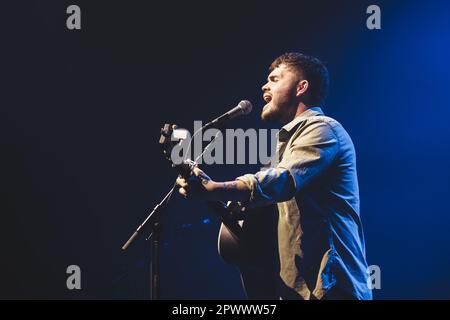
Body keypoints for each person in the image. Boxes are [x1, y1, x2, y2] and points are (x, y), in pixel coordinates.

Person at [176, 52, 372, 300]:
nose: (264, 85)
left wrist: (215, 189)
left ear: (301, 87)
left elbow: (282, 181)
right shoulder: (283, 150)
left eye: (275, 78)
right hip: (296, 291)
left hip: (332, 287)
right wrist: (216, 194)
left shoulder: (324, 128)